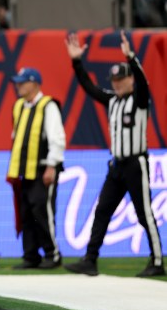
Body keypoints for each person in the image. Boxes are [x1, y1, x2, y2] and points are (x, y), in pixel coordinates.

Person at [63, 32, 165, 278]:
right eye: (114, 80)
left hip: (135, 164)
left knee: (144, 214)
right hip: (116, 165)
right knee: (102, 210)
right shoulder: (112, 101)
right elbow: (89, 87)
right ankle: (90, 259)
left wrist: (131, 58)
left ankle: (158, 261)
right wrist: (77, 62)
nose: (117, 83)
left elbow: (144, 84)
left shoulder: (140, 100)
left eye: (121, 79)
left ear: (130, 80)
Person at [7, 67, 65, 270]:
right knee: (26, 213)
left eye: (23, 82)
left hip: (42, 169)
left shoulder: (47, 105)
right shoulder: (19, 106)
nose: (19, 85)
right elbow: (17, 138)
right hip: (24, 170)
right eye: (18, 82)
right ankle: (30, 255)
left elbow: (57, 138)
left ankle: (52, 253)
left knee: (42, 211)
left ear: (35, 83)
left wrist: (52, 166)